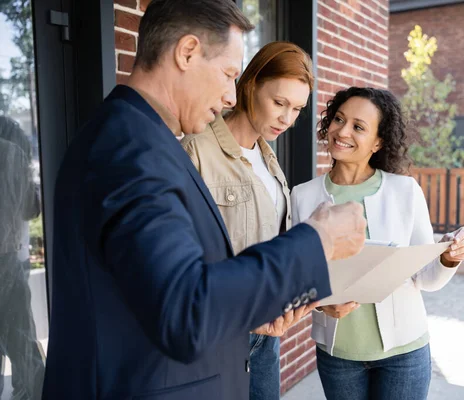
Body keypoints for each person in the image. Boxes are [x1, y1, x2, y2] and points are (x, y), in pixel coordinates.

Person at [41, 2, 367, 400]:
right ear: (187, 52)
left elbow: (165, 290)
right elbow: (186, 314)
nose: (232, 95)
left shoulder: (137, 138)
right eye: (229, 74)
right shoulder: (132, 152)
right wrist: (319, 240)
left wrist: (248, 311)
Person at [291, 87, 464, 400]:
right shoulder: (303, 196)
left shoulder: (405, 191)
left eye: (358, 127)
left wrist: (448, 259)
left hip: (405, 355)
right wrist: (322, 301)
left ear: (378, 142)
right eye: (339, 119)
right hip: (338, 355)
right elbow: (296, 277)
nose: (343, 131)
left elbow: (425, 278)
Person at [182, 41, 313, 400]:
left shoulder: (269, 161)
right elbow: (183, 260)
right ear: (251, 84)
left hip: (265, 340)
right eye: (280, 103)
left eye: (297, 108)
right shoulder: (196, 150)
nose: (287, 118)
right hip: (217, 340)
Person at [0, 116, 44, 400]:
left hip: (9, 256)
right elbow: (31, 207)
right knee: (22, 342)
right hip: (7, 259)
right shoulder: (11, 149)